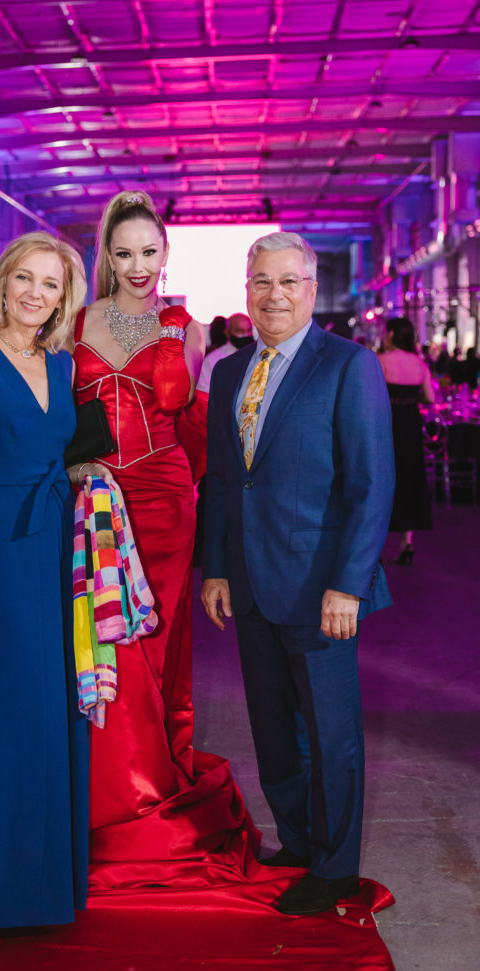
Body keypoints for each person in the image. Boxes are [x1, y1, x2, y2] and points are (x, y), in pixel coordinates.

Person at [0, 231, 112, 964]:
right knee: (2, 722)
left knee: (51, 715)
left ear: (61, 300)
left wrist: (94, 487)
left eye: (51, 285)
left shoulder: (63, 365)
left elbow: (64, 457)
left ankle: (42, 887)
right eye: (26, 280)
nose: (36, 294)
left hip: (56, 550)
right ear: (2, 283)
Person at [201, 231, 395, 915]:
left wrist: (347, 582)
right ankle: (297, 840)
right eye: (262, 281)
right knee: (273, 726)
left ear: (311, 290)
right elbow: (224, 480)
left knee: (331, 730)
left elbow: (371, 485)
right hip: (251, 583)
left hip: (320, 588)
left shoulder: (348, 366)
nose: (274, 294)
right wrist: (217, 568)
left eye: (289, 281)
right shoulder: (227, 372)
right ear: (246, 289)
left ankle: (336, 867)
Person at [73, 190, 258, 888]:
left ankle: (148, 782)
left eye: (149, 251)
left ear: (165, 253)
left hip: (163, 501)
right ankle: (113, 787)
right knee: (107, 637)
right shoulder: (75, 321)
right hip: (95, 498)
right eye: (124, 253)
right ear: (107, 256)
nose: (138, 265)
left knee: (155, 640)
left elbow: (188, 414)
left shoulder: (184, 326)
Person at [378, 316, 434, 564]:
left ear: (390, 335)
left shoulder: (380, 361)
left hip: (386, 425)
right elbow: (430, 398)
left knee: (381, 480)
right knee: (410, 479)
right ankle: (407, 543)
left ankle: (374, 546)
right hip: (411, 425)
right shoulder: (419, 364)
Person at [197, 312, 255, 393]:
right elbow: (204, 392)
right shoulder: (213, 360)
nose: (245, 335)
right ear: (227, 333)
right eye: (240, 331)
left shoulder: (260, 354)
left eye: (248, 330)